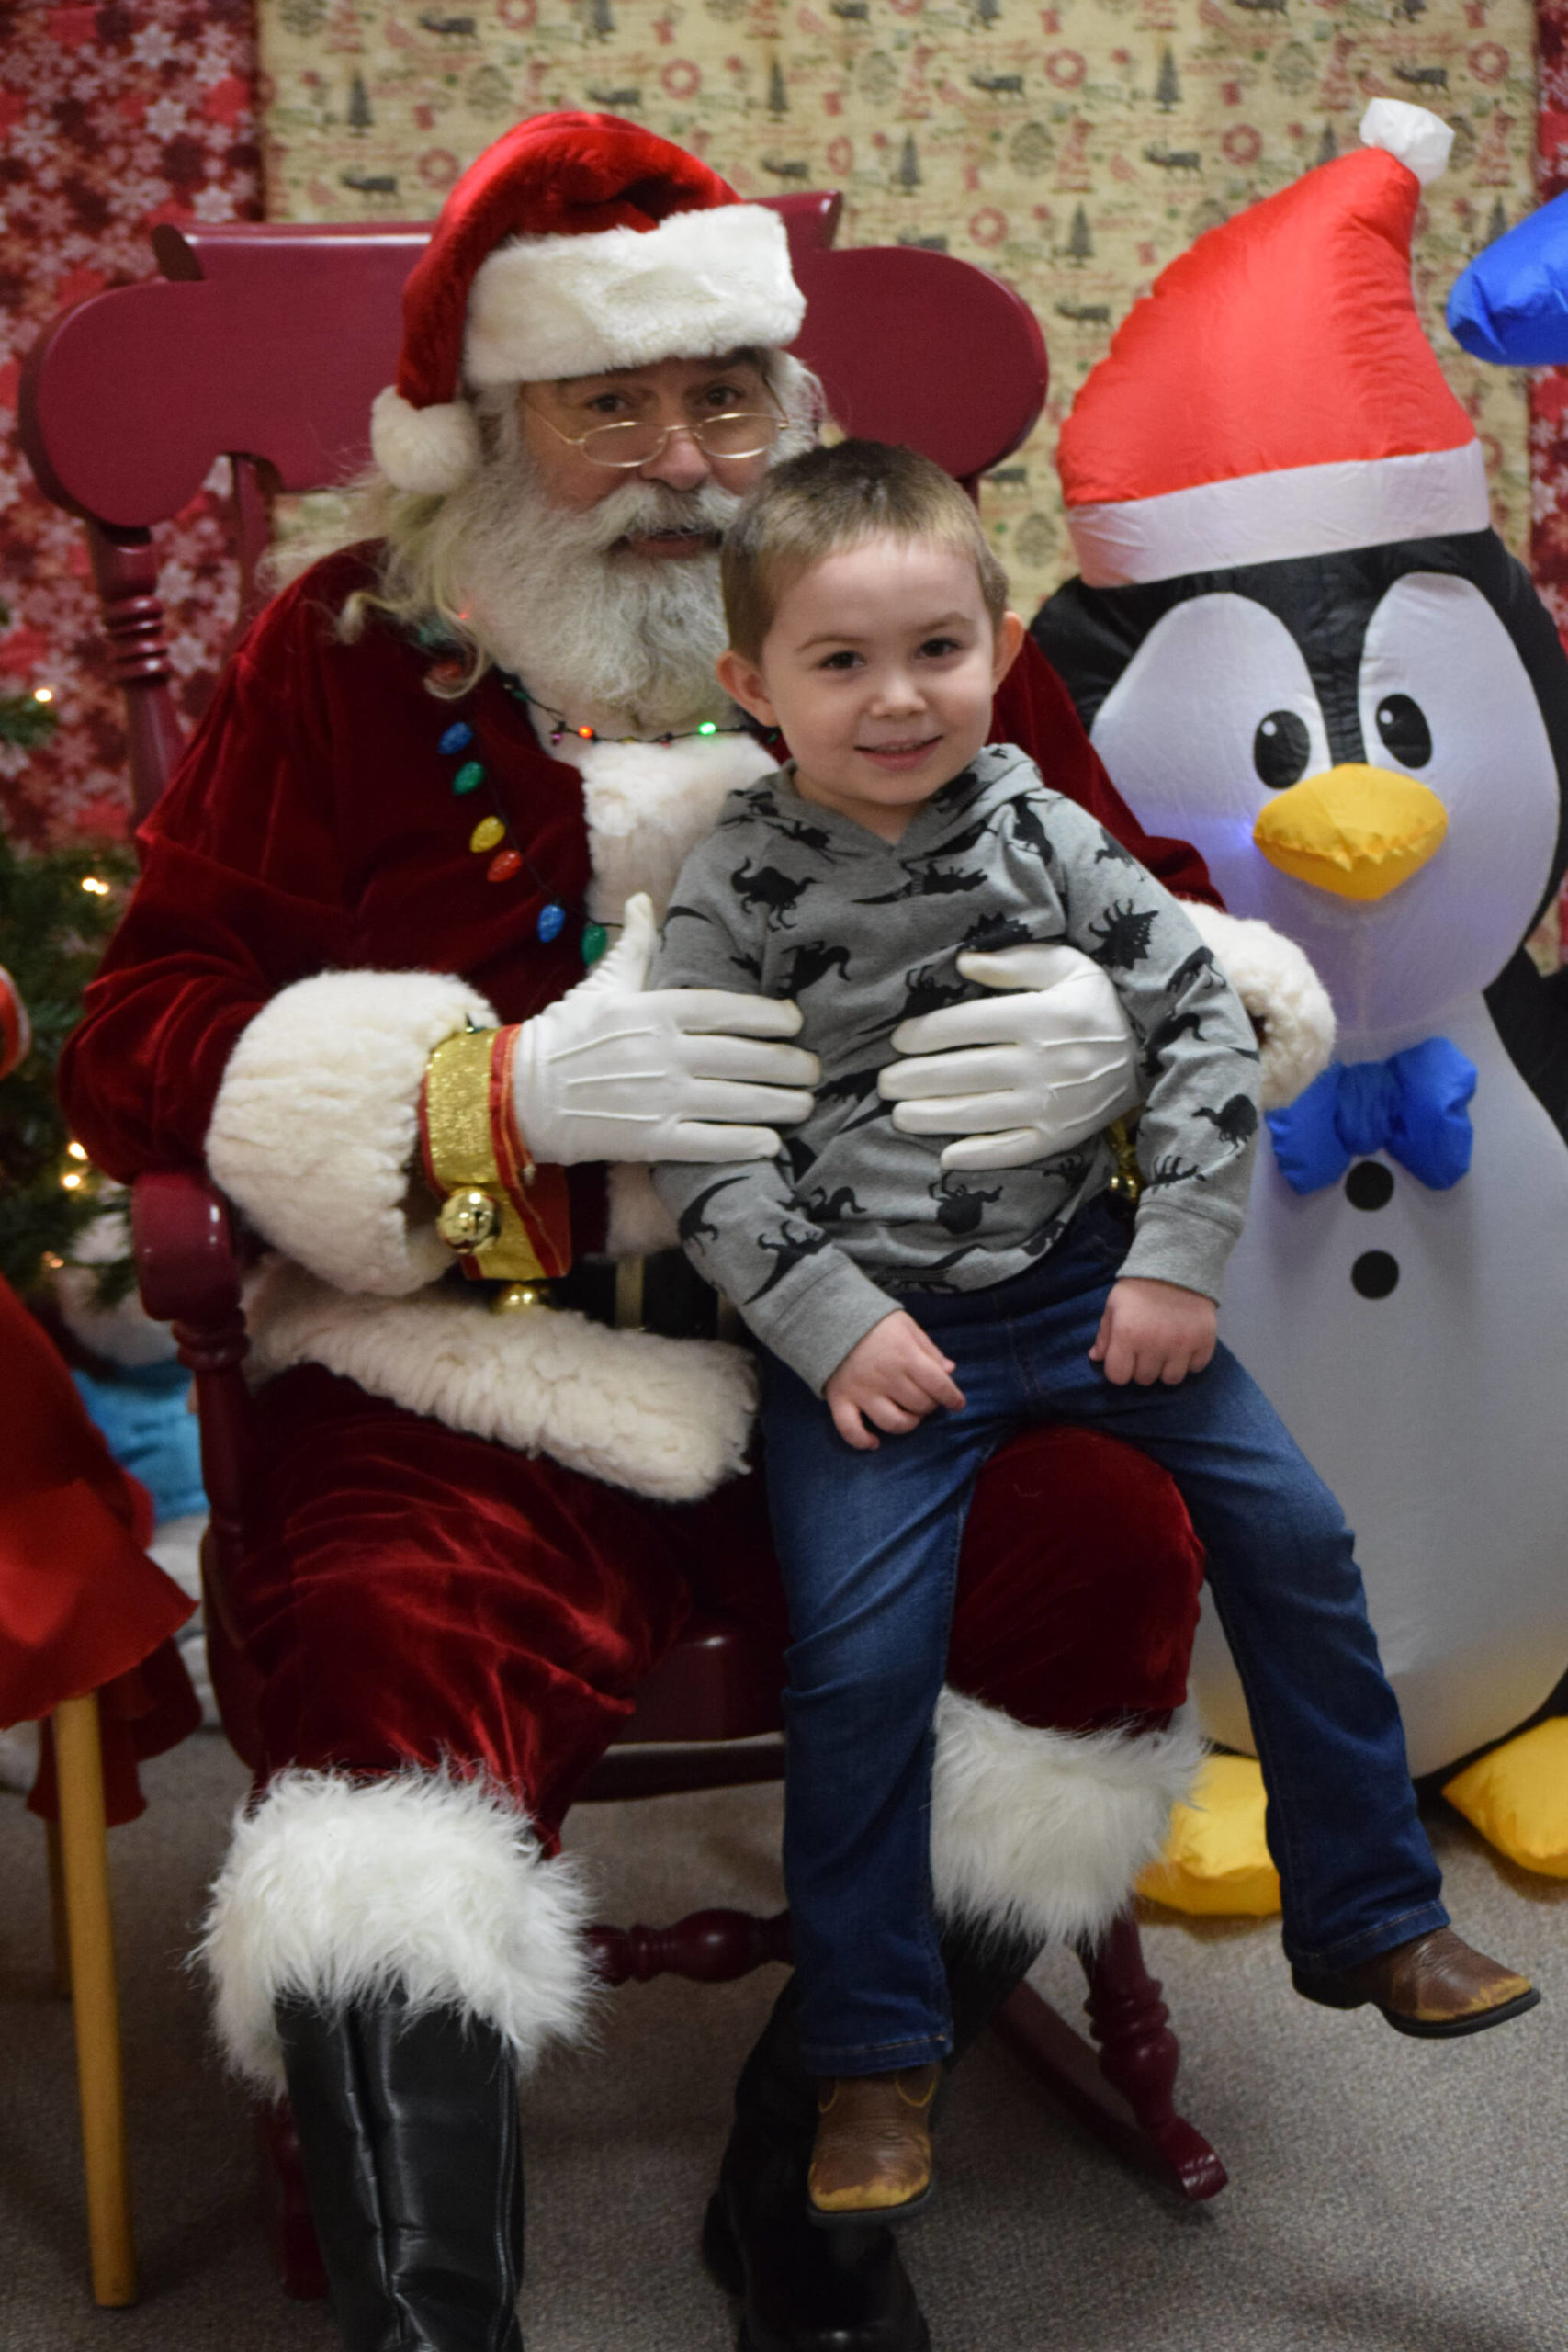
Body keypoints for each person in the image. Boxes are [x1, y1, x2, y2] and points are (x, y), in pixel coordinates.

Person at [52, 111, 1520, 2352]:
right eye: (611, 400)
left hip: (911, 1344)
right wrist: (491, 1094)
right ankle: (430, 2303)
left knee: (1111, 1562)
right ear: (487, 424)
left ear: (788, 401)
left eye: (723, 392)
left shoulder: (880, 620)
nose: (679, 458)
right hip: (490, 1357)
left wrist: (1098, 1043)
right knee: (379, 1661)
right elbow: (141, 1038)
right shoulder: (338, 658)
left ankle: (805, 2179)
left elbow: (1169, 916)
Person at [650, 440, 1540, 2223]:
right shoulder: (730, 884)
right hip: (877, 1344)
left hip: (1090, 1292)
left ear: (995, 642)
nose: (896, 697)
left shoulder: (1041, 829)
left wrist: (1173, 1260)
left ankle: (1367, 1913)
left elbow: (1207, 1032)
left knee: (1292, 1536)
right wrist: (827, 1324)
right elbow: (697, 1139)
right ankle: (872, 2050)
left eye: (934, 647)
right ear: (751, 686)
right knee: (855, 1660)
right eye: (838, 662)